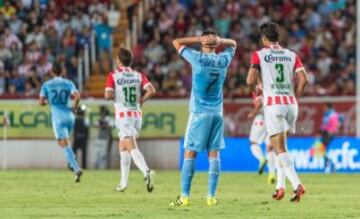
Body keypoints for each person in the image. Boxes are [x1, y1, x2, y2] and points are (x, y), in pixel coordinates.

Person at [170, 30, 236, 206]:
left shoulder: (196, 58)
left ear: (202, 43)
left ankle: (184, 197)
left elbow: (176, 41)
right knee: (214, 154)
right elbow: (234, 44)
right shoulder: (223, 59)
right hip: (217, 113)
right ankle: (211, 197)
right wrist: (221, 40)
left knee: (189, 153)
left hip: (199, 113)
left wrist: (199, 38)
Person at [247, 22, 309, 202]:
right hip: (291, 105)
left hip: (274, 105)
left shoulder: (259, 55)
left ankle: (298, 185)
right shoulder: (291, 55)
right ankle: (280, 187)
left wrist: (257, 88)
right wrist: (295, 97)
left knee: (279, 148)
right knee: (282, 148)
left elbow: (249, 79)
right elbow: (304, 79)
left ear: (264, 38)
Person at [104, 47, 156, 192]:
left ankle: (147, 172)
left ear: (118, 61)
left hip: (123, 115)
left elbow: (108, 95)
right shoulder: (138, 75)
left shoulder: (113, 75)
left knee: (131, 148)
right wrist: (142, 101)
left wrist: (115, 95)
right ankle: (123, 182)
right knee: (123, 147)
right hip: (136, 115)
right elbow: (151, 90)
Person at [39, 62, 83, 182]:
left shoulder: (46, 84)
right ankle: (72, 163)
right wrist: (74, 108)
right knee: (65, 142)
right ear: (62, 72)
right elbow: (77, 96)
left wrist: (49, 102)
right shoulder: (68, 83)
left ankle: (76, 168)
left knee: (63, 144)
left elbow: (41, 102)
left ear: (52, 72)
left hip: (57, 116)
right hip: (69, 115)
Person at [247, 84, 276, 184]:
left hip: (261, 118)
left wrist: (253, 113)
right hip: (272, 119)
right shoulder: (271, 83)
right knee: (270, 147)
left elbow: (259, 102)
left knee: (253, 143)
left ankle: (261, 158)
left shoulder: (259, 86)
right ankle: (272, 174)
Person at [319, 103, 342, 173]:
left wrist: (320, 132)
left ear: (328, 107)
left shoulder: (328, 114)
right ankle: (330, 164)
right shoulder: (336, 114)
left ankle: (330, 164)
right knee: (322, 149)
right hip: (331, 133)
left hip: (328, 133)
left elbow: (324, 125)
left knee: (320, 149)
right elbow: (340, 123)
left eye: (325, 107)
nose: (324, 109)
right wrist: (336, 129)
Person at [72, 104, 89, 169]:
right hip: (83, 138)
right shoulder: (86, 120)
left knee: (74, 153)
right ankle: (84, 167)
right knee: (84, 153)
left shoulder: (74, 119)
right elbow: (87, 130)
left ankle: (73, 166)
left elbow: (73, 130)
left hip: (76, 137)